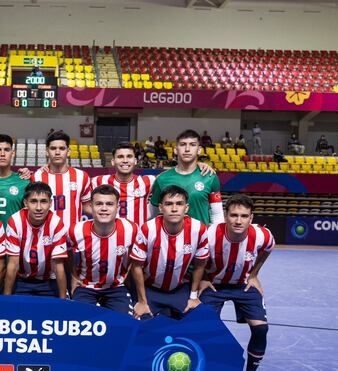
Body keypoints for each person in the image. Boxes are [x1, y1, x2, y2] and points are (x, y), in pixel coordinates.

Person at [199, 194, 274, 371]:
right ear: (225, 215)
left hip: (243, 284)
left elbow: (267, 249)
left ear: (251, 217)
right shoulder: (210, 233)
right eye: (233, 215)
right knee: (204, 327)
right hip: (215, 285)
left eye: (244, 216)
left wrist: (254, 274)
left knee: (261, 328)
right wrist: (204, 277)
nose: (238, 220)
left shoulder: (262, 236)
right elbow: (197, 257)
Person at [130, 185, 209, 320]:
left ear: (186, 208)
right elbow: (136, 266)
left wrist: (193, 297)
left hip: (179, 289)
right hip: (150, 288)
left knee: (197, 322)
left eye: (179, 204)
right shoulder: (148, 228)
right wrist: (142, 301)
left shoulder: (198, 229)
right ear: (161, 208)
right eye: (168, 204)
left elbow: (200, 265)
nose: (174, 209)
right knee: (140, 324)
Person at [67, 184, 141, 314]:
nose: (104, 209)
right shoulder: (76, 230)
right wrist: (73, 275)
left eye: (109, 204)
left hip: (116, 287)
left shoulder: (131, 229)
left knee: (124, 324)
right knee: (79, 321)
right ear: (91, 206)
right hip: (86, 286)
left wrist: (127, 277)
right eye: (99, 204)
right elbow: (67, 253)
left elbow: (135, 258)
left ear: (117, 207)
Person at [3, 181, 68, 298]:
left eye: (43, 202)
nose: (38, 207)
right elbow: (13, 264)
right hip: (21, 280)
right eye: (33, 201)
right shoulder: (15, 221)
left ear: (50, 203)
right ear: (25, 203)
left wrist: (63, 300)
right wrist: (7, 298)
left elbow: (59, 266)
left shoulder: (56, 223)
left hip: (49, 281)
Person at [149, 129, 223, 226]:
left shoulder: (210, 177)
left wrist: (217, 237)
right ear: (176, 149)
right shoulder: (162, 179)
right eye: (183, 144)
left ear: (199, 150)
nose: (187, 149)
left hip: (201, 239)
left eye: (192, 145)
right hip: (170, 239)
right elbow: (151, 214)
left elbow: (217, 215)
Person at [31, 130, 92, 230]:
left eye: (62, 148)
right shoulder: (37, 177)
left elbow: (86, 206)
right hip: (44, 237)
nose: (57, 152)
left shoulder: (82, 176)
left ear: (68, 152)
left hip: (72, 238)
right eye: (53, 148)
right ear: (47, 152)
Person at [92, 142, 156, 227]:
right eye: (120, 157)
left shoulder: (148, 181)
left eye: (129, 156)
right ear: (113, 162)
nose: (125, 160)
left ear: (135, 161)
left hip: (137, 238)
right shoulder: (98, 181)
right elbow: (84, 202)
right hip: (109, 236)